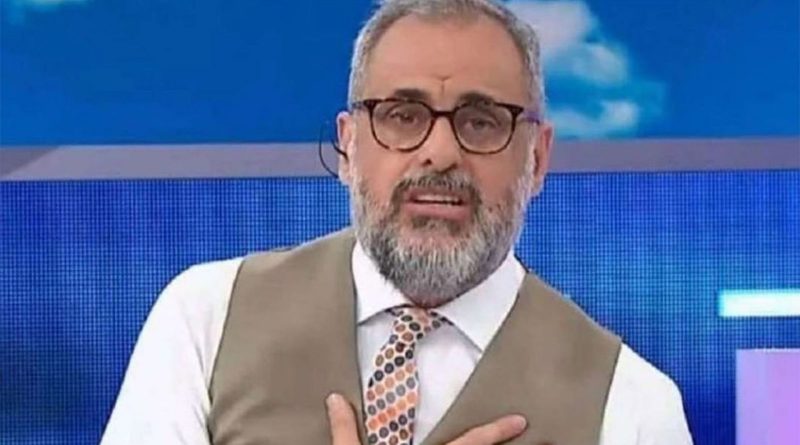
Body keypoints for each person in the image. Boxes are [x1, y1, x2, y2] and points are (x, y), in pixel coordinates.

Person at [101, 1, 694, 444]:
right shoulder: (206, 319)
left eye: (481, 122)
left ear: (537, 159)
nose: (440, 152)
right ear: (349, 145)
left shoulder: (632, 407)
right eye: (404, 116)